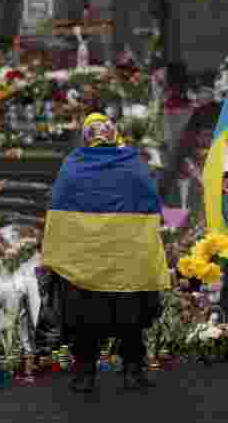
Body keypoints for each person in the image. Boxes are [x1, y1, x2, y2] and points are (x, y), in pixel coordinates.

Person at [41, 113, 170, 393]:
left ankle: (85, 374)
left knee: (85, 319)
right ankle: (132, 372)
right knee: (130, 317)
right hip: (126, 256)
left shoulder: (73, 164)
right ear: (114, 134)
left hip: (87, 259)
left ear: (86, 135)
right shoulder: (132, 162)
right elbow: (150, 201)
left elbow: (60, 205)